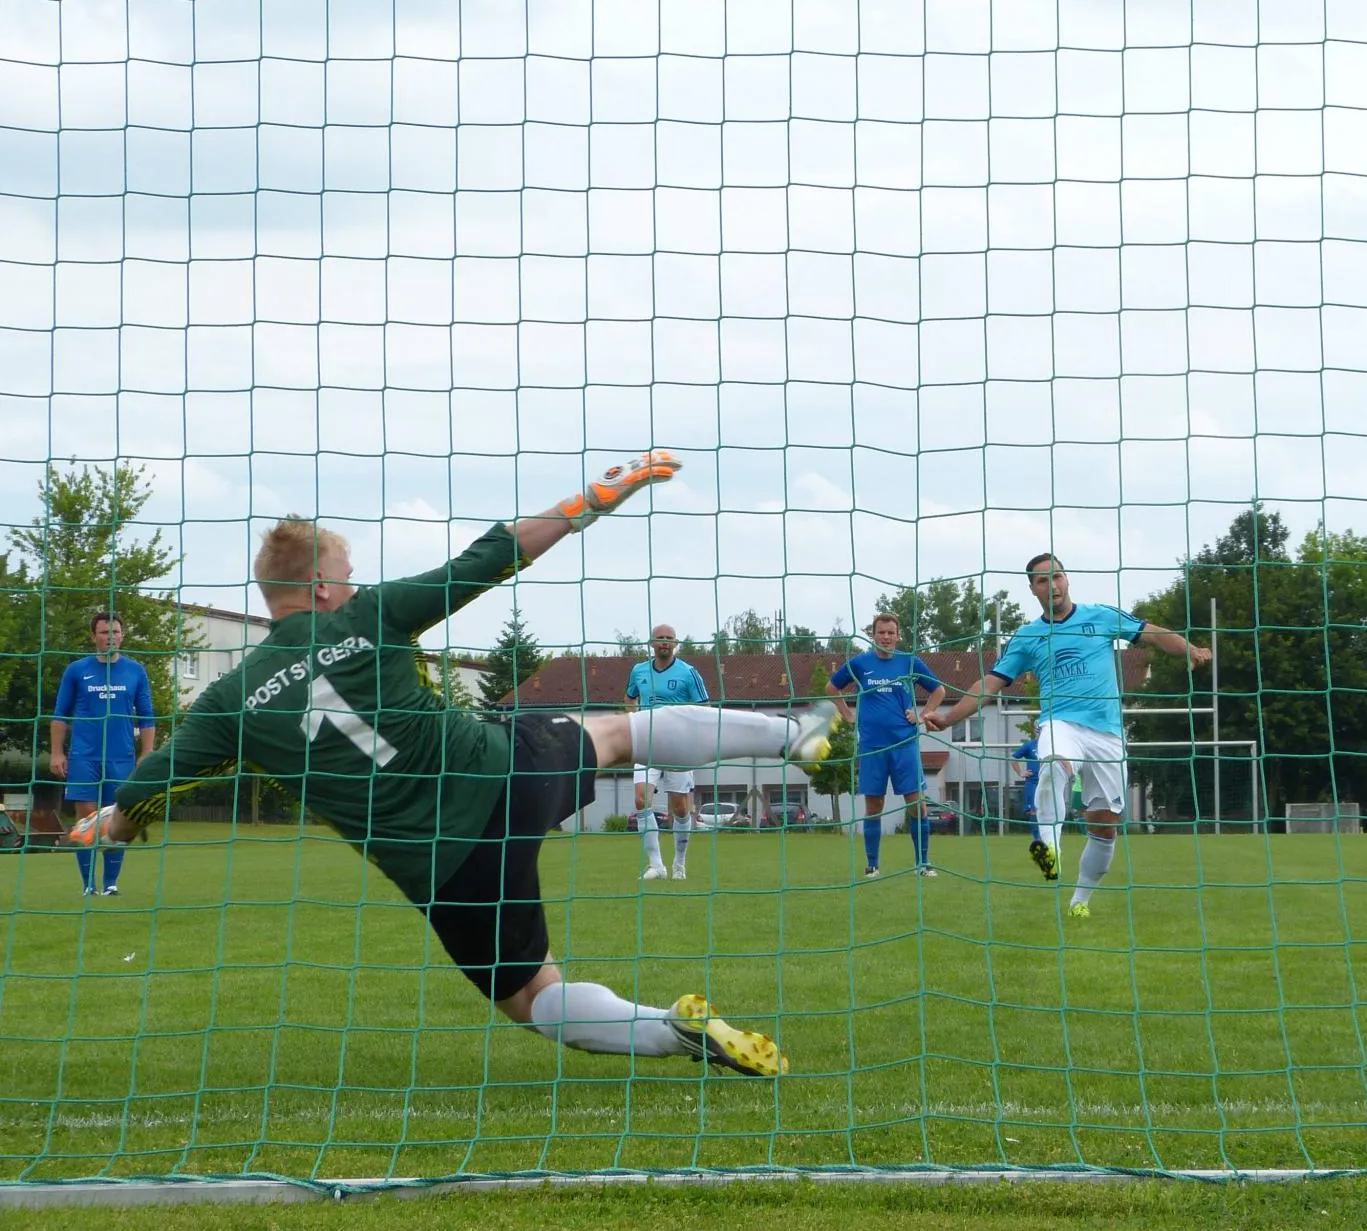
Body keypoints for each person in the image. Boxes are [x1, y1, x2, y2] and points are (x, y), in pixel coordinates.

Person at [69, 453, 835, 1075]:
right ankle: (791, 734)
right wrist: (589, 501)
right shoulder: (369, 615)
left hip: (450, 871)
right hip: (505, 774)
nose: (355, 582)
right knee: (618, 733)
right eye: (347, 571)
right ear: (324, 586)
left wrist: (117, 823)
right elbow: (486, 559)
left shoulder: (232, 699)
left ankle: (674, 1031)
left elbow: (153, 779)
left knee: (535, 999)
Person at [922, 554, 1209, 918]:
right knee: (1055, 762)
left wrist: (1190, 649)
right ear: (1032, 589)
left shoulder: (1100, 616)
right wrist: (949, 719)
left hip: (1107, 734)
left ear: (1067, 579)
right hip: (1061, 722)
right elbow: (988, 685)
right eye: (1042, 581)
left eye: (1056, 577)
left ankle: (1080, 901)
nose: (1052, 585)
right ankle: (1048, 848)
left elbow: (1152, 633)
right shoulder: (1027, 637)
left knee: (1104, 827)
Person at [829, 613, 943, 879]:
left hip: (905, 744)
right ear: (873, 635)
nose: (886, 637)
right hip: (872, 747)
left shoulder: (909, 662)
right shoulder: (860, 663)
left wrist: (923, 715)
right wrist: (847, 715)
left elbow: (939, 691)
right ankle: (872, 866)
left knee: (917, 805)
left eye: (891, 633)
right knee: (873, 806)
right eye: (881, 632)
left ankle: (923, 864)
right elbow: (831, 688)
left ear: (898, 636)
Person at [50, 612, 156, 897]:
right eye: (104, 632)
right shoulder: (76, 670)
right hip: (84, 757)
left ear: (122, 635)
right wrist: (57, 752)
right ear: (93, 636)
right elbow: (60, 715)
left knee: (118, 820)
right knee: (86, 820)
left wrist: (147, 753)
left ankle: (111, 884)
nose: (110, 637)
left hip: (121, 758)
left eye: (115, 632)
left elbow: (147, 716)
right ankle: (88, 885)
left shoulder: (136, 670)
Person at [623, 624, 706, 881]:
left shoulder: (688, 673)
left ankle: (679, 862)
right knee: (641, 800)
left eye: (669, 638)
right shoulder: (638, 671)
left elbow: (704, 708)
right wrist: (633, 722)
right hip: (647, 745)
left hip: (678, 748)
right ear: (651, 643)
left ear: (676, 643)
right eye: (660, 638)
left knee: (680, 809)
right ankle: (656, 866)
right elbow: (629, 698)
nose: (665, 642)